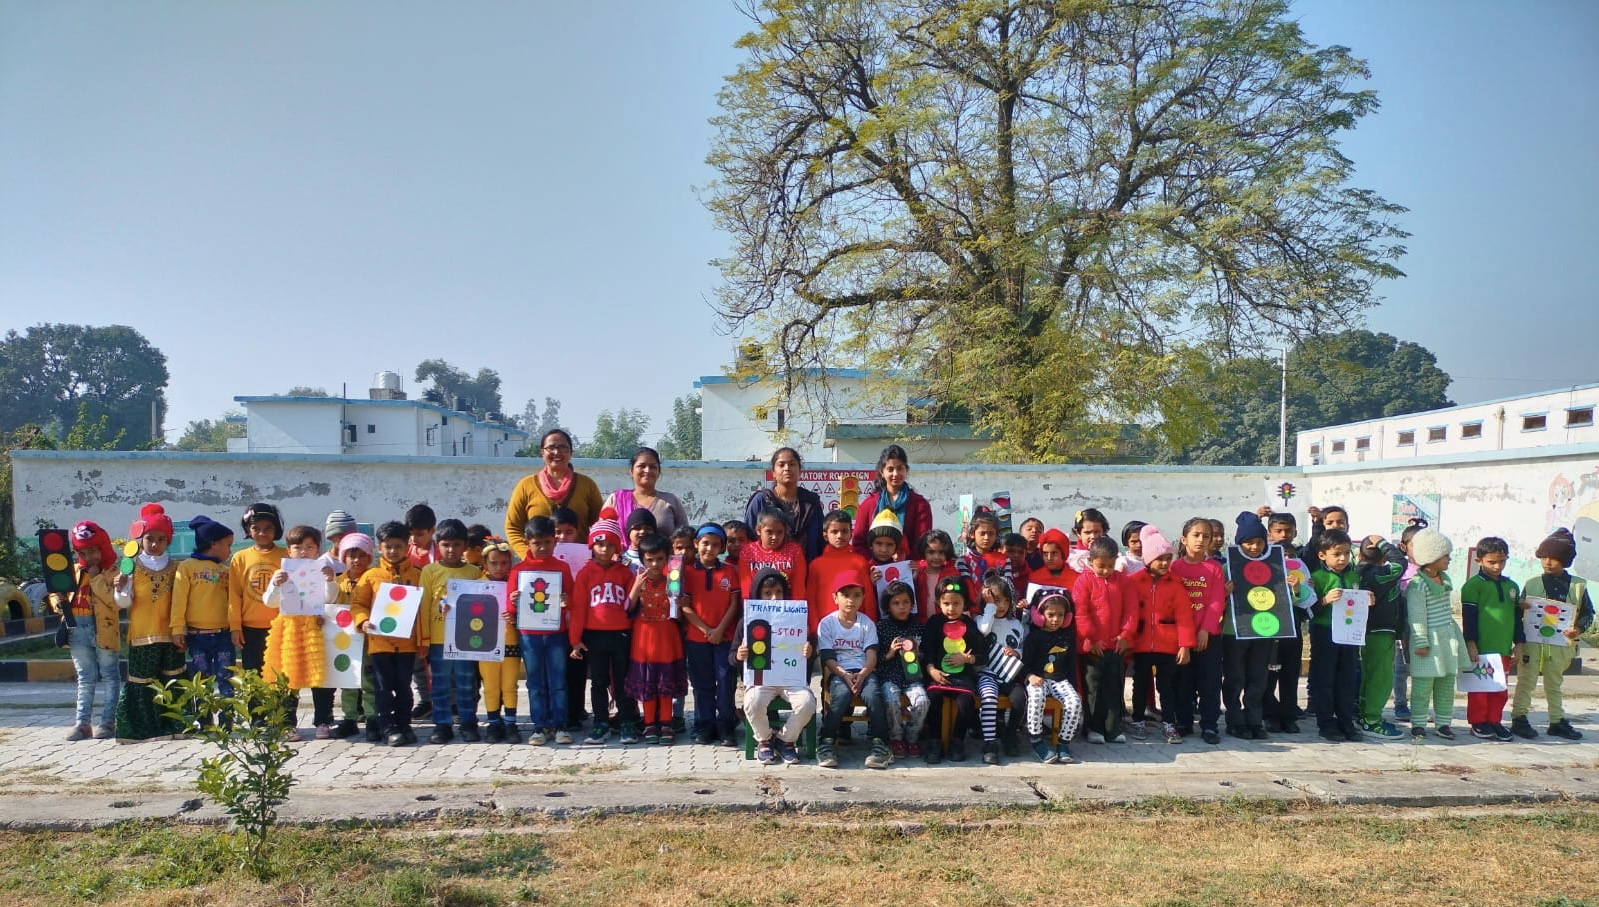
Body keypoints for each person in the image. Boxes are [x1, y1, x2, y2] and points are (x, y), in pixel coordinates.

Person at [1510, 528, 1592, 740]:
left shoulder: (1578, 586)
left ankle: (1556, 721)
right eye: (1544, 557)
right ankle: (1519, 718)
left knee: (1554, 683)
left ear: (1565, 560)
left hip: (1560, 644)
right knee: (1526, 680)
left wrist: (1578, 629)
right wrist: (1520, 608)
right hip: (1532, 643)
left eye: (1554, 558)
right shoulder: (1532, 583)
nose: (1547, 562)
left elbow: (1587, 613)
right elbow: (1517, 613)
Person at [112, 504, 184, 743]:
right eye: (149, 538)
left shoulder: (177, 568)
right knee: (143, 682)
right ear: (141, 539)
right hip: (142, 635)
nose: (154, 544)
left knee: (171, 680)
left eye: (161, 539)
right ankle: (142, 731)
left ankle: (172, 727)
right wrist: (120, 588)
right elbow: (124, 602)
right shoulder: (132, 567)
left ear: (168, 540)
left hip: (171, 634)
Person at [352, 521, 427, 746]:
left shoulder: (418, 575)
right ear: (379, 548)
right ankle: (387, 727)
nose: (393, 551)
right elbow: (358, 603)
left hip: (407, 644)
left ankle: (404, 724)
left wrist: (423, 639)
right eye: (388, 546)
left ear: (407, 547)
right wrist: (363, 621)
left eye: (398, 546)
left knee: (404, 687)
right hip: (380, 644)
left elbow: (425, 606)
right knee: (382, 688)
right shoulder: (371, 576)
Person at [570, 510, 640, 745]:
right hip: (594, 635)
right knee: (598, 681)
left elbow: (632, 604)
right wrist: (575, 639)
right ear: (592, 546)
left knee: (622, 680)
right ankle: (600, 722)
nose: (604, 549)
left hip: (621, 635)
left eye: (610, 545)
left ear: (617, 548)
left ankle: (627, 721)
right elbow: (578, 608)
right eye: (600, 544)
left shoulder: (625, 573)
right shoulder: (585, 574)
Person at [263, 525, 340, 737]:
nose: (304, 552)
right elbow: (269, 602)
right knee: (288, 678)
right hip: (289, 630)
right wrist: (276, 585)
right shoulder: (281, 573)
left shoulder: (323, 571)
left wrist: (331, 581)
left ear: (317, 550)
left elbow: (330, 598)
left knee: (320, 676)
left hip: (316, 628)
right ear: (289, 550)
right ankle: (288, 723)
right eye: (298, 547)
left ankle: (323, 722)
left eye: (309, 547)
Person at [735, 569, 817, 765]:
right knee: (752, 702)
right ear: (758, 594)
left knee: (807, 703)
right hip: (762, 680)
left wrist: (809, 651)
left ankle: (785, 740)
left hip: (791, 680)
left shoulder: (797, 619)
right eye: (767, 593)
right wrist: (739, 655)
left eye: (779, 592)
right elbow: (732, 657)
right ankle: (764, 740)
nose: (774, 598)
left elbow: (810, 652)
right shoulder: (747, 621)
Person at [508, 516, 575, 746]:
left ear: (554, 541)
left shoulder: (562, 568)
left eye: (547, 542)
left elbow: (571, 598)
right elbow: (510, 607)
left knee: (558, 681)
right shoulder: (519, 571)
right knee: (535, 682)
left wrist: (566, 601)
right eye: (537, 543)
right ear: (527, 542)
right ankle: (539, 725)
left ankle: (560, 725)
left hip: (557, 633)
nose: (543, 547)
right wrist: (513, 601)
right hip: (529, 635)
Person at [420, 519, 487, 744]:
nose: (451, 550)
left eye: (457, 544)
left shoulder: (474, 572)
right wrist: (424, 640)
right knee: (440, 684)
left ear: (465, 546)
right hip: (438, 640)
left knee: (466, 683)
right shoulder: (429, 571)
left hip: (466, 640)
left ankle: (468, 722)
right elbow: (423, 606)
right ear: (437, 545)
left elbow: (482, 603)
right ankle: (442, 724)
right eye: (446, 544)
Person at [1126, 525, 1193, 745]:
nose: (1164, 563)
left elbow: (1184, 616)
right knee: (1140, 684)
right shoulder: (1134, 582)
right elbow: (1128, 613)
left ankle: (1169, 723)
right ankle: (1137, 720)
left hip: (1168, 645)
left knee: (1167, 686)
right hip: (1141, 644)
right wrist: (1127, 639)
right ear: (1148, 559)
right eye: (1159, 559)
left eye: (1168, 559)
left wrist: (1185, 645)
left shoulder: (1176, 584)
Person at [816, 577, 892, 769]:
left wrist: (863, 674)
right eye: (845, 595)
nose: (851, 600)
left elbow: (872, 655)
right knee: (841, 694)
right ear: (835, 598)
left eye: (857, 595)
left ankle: (881, 743)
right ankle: (826, 741)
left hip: (864, 671)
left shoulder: (867, 624)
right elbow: (827, 657)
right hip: (839, 672)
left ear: (863, 598)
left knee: (873, 695)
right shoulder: (827, 623)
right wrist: (844, 674)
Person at [55, 521, 119, 741]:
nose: (88, 557)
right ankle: (82, 723)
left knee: (110, 676)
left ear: (103, 547)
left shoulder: (113, 572)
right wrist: (58, 601)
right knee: (85, 677)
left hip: (104, 629)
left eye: (93, 551)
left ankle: (108, 722)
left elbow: (114, 602)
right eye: (83, 552)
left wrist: (96, 578)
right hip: (76, 630)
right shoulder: (73, 571)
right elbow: (56, 593)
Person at [624, 533, 689, 744]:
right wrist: (636, 586)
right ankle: (650, 723)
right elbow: (628, 608)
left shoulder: (673, 582)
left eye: (660, 559)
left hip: (667, 641)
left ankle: (666, 723)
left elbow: (677, 615)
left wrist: (680, 604)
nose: (654, 564)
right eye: (649, 559)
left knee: (665, 685)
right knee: (648, 685)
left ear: (667, 559)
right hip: (644, 642)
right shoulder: (635, 580)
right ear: (642, 559)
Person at [681, 524, 741, 747]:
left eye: (715, 545)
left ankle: (725, 725)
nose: (709, 549)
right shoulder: (686, 572)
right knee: (702, 683)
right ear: (696, 544)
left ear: (722, 548)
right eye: (705, 543)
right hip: (697, 638)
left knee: (725, 682)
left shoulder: (729, 571)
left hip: (725, 638)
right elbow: (684, 606)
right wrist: (707, 631)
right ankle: (704, 725)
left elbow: (734, 604)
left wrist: (719, 631)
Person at [1073, 537, 1136, 744]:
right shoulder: (1083, 582)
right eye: (1101, 566)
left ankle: (1112, 729)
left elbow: (1131, 611)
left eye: (1110, 565)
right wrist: (1090, 639)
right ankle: (1093, 728)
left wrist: (1125, 635)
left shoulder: (1124, 582)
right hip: (1092, 647)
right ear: (1090, 561)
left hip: (1116, 646)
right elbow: (1080, 613)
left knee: (1114, 688)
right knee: (1093, 690)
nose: (1106, 571)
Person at [506, 429, 605, 559]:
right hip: (538, 565)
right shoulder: (526, 486)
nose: (557, 452)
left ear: (571, 452)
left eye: (563, 447)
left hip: (579, 563)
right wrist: (529, 556)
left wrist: (595, 553)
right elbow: (513, 527)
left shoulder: (586, 485)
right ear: (542, 452)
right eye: (551, 448)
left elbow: (601, 524)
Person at [1170, 518, 1226, 744]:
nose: (1201, 540)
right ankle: (1183, 722)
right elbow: (1172, 603)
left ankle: (1209, 725)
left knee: (1209, 683)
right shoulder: (1175, 568)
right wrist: (1183, 635)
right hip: (1182, 638)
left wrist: (1205, 630)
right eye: (1196, 535)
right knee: (1182, 682)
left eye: (1206, 536)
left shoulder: (1215, 568)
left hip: (1208, 637)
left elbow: (1216, 602)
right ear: (1184, 539)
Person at [922, 577, 989, 763]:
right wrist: (931, 670)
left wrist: (967, 658)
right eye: (946, 603)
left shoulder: (970, 625)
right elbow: (927, 650)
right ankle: (934, 741)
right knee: (933, 698)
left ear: (965, 603)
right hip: (938, 676)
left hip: (963, 678)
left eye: (956, 603)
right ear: (938, 603)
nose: (951, 608)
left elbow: (983, 655)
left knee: (966, 701)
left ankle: (957, 741)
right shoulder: (934, 623)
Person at [1405, 528, 1464, 740]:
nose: (1449, 559)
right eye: (1445, 555)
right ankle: (1418, 723)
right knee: (1422, 686)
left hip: (1447, 640)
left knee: (1446, 685)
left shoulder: (1445, 580)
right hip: (1428, 642)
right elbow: (1417, 615)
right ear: (1431, 557)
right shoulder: (1418, 585)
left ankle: (1443, 723)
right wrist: (1421, 641)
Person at [1307, 528, 1364, 743]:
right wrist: (1324, 600)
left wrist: (1367, 601)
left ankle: (1346, 722)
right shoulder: (1316, 578)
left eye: (1347, 553)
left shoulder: (1354, 576)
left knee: (1347, 679)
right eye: (1337, 554)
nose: (1342, 558)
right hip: (1325, 632)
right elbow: (1308, 611)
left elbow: (1359, 604)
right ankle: (1326, 723)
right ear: (1322, 555)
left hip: (1349, 634)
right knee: (1324, 679)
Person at [171, 515, 235, 702]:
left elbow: (233, 601)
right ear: (213, 543)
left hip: (224, 635)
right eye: (228, 545)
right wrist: (177, 629)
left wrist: (236, 628)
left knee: (227, 679)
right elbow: (179, 600)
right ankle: (203, 719)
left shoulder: (225, 571)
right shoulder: (186, 567)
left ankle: (226, 718)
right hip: (196, 636)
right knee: (201, 682)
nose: (230, 550)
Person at [1460, 536, 1518, 741]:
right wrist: (1471, 644)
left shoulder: (1512, 586)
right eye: (1491, 562)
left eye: (1502, 561)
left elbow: (1517, 617)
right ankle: (1478, 722)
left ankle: (1495, 720)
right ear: (1479, 561)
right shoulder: (1473, 586)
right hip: (1481, 648)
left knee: (1500, 688)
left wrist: (1519, 644)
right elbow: (1469, 618)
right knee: (1480, 688)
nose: (1497, 566)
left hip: (1503, 647)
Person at [1354, 532, 1408, 739]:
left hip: (1365, 631)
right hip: (1380, 631)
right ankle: (1372, 720)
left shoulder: (1357, 572)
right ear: (1383, 557)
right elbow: (1400, 563)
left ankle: (1365, 715)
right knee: (1381, 677)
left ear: (1360, 556)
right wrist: (1383, 543)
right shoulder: (1379, 573)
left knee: (1369, 675)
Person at [1023, 591, 1083, 764]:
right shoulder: (1034, 636)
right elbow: (1024, 664)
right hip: (1037, 678)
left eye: (1060, 615)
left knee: (1074, 703)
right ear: (1040, 615)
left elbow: (1071, 664)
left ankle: (1063, 743)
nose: (1056, 619)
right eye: (1051, 615)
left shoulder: (1067, 635)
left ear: (1067, 617)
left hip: (1059, 679)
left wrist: (1075, 689)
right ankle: (1037, 741)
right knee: (1036, 697)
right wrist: (1029, 676)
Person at [975, 575, 1028, 762]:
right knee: (989, 698)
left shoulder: (1015, 624)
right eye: (996, 600)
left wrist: (1016, 653)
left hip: (1008, 674)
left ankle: (1010, 734)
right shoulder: (981, 619)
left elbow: (1021, 646)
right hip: (987, 673)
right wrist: (990, 606)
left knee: (1020, 698)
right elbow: (984, 630)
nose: (1002, 605)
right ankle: (990, 742)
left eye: (1006, 600)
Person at [228, 502, 286, 673]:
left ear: (276, 528)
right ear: (248, 529)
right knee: (253, 678)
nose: (262, 533)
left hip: (281, 626)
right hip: (249, 630)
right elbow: (234, 595)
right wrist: (235, 627)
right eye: (256, 528)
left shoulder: (288, 555)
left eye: (268, 528)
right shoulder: (240, 558)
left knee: (280, 676)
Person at [849, 444, 932, 562]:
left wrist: (904, 562)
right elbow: (858, 544)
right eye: (890, 469)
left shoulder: (920, 505)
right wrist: (873, 564)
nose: (896, 474)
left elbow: (922, 543)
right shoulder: (868, 505)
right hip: (873, 569)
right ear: (882, 472)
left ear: (906, 470)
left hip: (909, 569)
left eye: (900, 468)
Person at [875, 581, 929, 759]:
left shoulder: (919, 628)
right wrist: (890, 653)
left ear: (912, 604)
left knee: (922, 701)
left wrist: (919, 654)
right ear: (888, 607)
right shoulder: (881, 628)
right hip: (889, 677)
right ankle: (896, 737)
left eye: (906, 602)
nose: (901, 607)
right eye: (896, 603)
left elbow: (927, 657)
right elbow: (875, 660)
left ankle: (912, 737)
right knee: (891, 701)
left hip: (913, 678)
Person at [332, 532, 377, 740]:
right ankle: (349, 718)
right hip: (345, 641)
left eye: (362, 555)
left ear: (370, 557)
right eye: (351, 556)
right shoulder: (337, 582)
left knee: (369, 680)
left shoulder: (374, 580)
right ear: (343, 558)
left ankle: (372, 718)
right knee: (348, 679)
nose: (356, 560)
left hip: (368, 639)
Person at [743, 447, 825, 560]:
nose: (787, 468)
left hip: (807, 568)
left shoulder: (811, 503)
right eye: (781, 465)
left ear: (800, 470)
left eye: (792, 464)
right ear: (773, 473)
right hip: (766, 568)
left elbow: (821, 540)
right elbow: (748, 539)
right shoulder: (761, 500)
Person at [478, 539, 521, 743]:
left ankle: (511, 723)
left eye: (504, 563)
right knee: (490, 686)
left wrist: (515, 617)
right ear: (485, 563)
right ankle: (494, 724)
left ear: (510, 562)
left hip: (511, 643)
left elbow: (530, 613)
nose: (499, 568)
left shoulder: (517, 585)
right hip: (485, 645)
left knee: (510, 685)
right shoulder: (476, 585)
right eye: (493, 563)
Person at [809, 510, 877, 631]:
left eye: (844, 531)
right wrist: (815, 629)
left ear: (851, 534)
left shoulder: (860, 562)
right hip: (825, 629)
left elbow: (868, 598)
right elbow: (811, 599)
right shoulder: (816, 565)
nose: (840, 536)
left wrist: (871, 627)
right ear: (825, 535)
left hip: (856, 629)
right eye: (834, 532)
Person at [605, 446, 691, 539]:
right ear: (631, 471)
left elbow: (685, 538)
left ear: (659, 472)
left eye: (653, 467)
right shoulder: (617, 499)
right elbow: (600, 534)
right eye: (642, 466)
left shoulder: (670, 501)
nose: (647, 470)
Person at [740, 509, 809, 617]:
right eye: (769, 532)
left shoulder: (794, 551)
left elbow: (798, 588)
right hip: (757, 611)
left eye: (780, 532)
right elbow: (746, 588)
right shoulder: (748, 551)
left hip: (787, 611)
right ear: (758, 530)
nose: (774, 537)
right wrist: (751, 613)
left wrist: (796, 616)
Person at [914, 529, 959, 620]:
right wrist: (914, 577)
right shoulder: (918, 572)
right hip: (921, 622)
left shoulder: (952, 574)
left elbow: (958, 595)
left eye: (941, 552)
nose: (936, 557)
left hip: (945, 622)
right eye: (931, 552)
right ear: (923, 552)